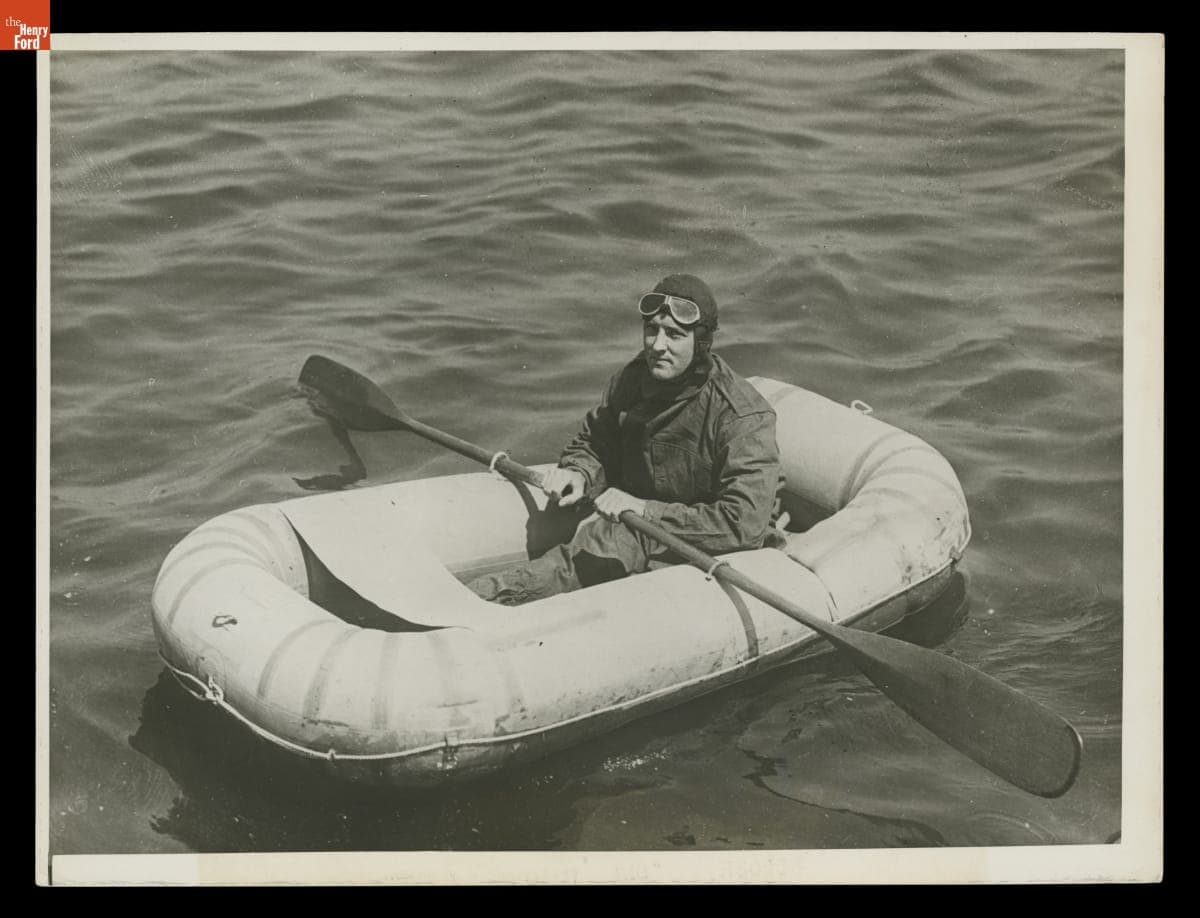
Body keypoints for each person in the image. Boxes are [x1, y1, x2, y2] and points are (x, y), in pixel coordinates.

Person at [467, 274, 785, 606]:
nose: (657, 345)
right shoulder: (633, 380)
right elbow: (596, 442)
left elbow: (743, 525)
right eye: (652, 330)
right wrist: (579, 472)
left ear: (701, 343)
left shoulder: (741, 415)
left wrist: (645, 510)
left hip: (712, 546)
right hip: (638, 529)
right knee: (556, 572)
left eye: (674, 335)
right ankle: (466, 603)